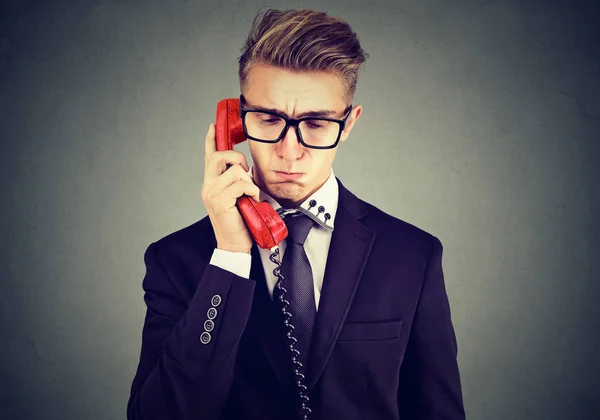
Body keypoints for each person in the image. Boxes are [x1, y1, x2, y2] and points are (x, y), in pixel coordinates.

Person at [127, 8, 465, 420]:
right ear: (234, 122)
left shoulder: (413, 255)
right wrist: (231, 257)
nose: (290, 151)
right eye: (269, 119)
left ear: (349, 123)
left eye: (317, 124)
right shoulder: (175, 260)